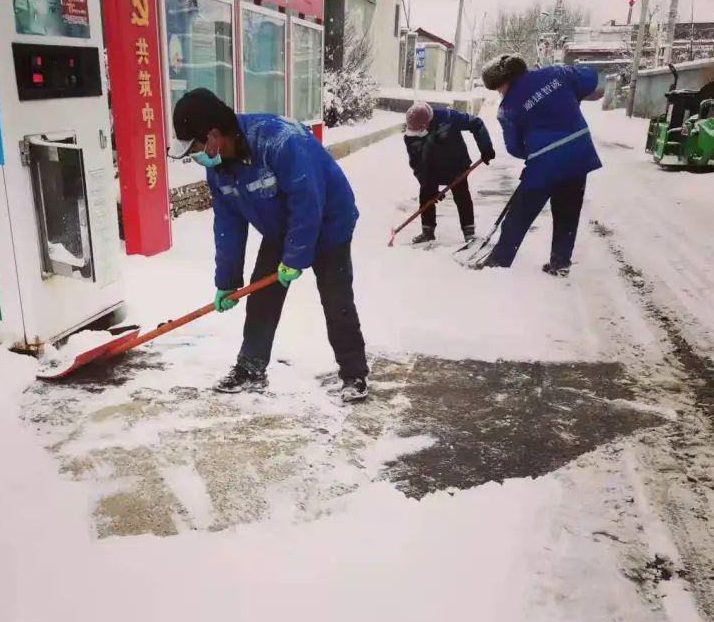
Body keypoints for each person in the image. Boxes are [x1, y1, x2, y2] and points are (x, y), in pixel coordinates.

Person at [167, 89, 369, 402]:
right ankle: (251, 369)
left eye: (195, 147)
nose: (196, 156)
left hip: (330, 222)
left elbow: (307, 201)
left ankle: (354, 373)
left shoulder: (280, 141)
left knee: (336, 298)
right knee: (262, 297)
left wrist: (296, 256)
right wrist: (227, 282)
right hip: (281, 227)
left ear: (214, 135)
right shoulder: (218, 167)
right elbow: (228, 224)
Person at [477, 55, 602, 277]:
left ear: (507, 79)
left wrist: (536, 153)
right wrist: (571, 93)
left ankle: (497, 264)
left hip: (543, 165)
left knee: (519, 215)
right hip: (578, 156)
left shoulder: (508, 109)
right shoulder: (557, 73)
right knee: (567, 213)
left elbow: (514, 148)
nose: (500, 93)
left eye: (499, 88)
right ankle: (560, 263)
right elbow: (591, 78)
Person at [403, 101, 495, 246]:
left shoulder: (448, 117)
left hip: (456, 164)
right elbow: (416, 164)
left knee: (462, 195)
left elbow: (476, 123)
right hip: (430, 169)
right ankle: (427, 232)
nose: (416, 135)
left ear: (427, 123)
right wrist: (425, 181)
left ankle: (469, 232)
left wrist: (486, 148)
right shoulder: (410, 134)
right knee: (426, 194)